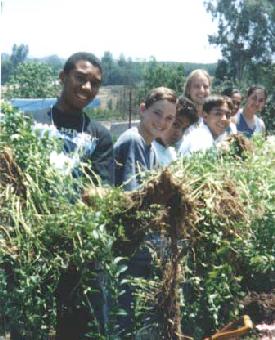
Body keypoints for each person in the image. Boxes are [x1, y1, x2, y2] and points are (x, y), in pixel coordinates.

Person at [33, 51, 114, 185]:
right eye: (80, 78)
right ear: (63, 77)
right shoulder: (30, 122)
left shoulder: (100, 137)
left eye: (94, 83)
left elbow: (101, 190)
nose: (87, 87)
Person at [114, 86, 177, 191]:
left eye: (169, 118)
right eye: (157, 113)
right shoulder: (134, 140)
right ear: (143, 109)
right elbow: (134, 196)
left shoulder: (151, 149)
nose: (161, 122)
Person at [153, 96, 198, 166]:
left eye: (184, 129)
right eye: (176, 124)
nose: (179, 133)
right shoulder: (149, 151)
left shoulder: (173, 155)